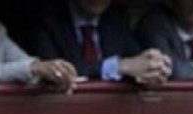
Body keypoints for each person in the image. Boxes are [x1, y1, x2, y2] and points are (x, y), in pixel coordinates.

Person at [27, 0, 172, 85]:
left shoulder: (115, 17)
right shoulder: (46, 19)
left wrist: (154, 66)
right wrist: (118, 66)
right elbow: (54, 72)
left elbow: (136, 60)